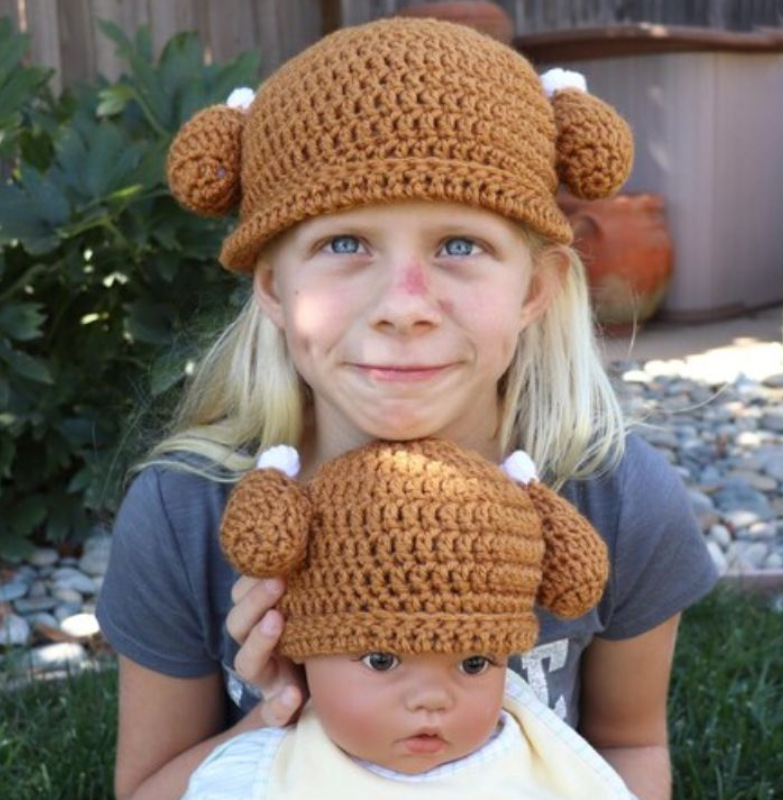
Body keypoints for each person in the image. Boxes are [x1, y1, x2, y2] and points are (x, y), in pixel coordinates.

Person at [96, 15, 718, 800]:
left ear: (534, 288)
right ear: (274, 287)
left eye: (459, 245)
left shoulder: (617, 502)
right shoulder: (186, 515)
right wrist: (279, 715)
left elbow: (629, 746)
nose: (403, 305)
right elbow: (147, 787)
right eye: (345, 243)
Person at [182, 437, 632, 799]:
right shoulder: (260, 780)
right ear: (301, 646)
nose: (431, 699)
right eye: (381, 659)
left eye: (474, 663)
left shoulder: (545, 764)